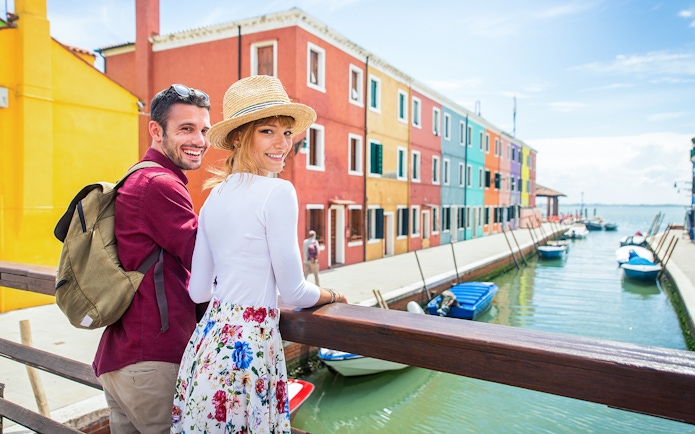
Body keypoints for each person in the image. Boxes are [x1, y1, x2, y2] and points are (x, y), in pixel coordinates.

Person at [172, 75, 348, 433]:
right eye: (268, 131)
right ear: (239, 136)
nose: (283, 143)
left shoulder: (212, 200)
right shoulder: (278, 192)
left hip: (207, 347)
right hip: (248, 351)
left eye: (286, 133)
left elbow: (198, 293)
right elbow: (295, 291)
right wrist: (332, 295)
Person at [92, 84, 211, 434]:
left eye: (203, 130)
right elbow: (203, 258)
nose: (199, 140)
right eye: (186, 129)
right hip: (151, 361)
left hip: (123, 356)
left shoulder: (138, 175)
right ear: (156, 131)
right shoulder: (159, 184)